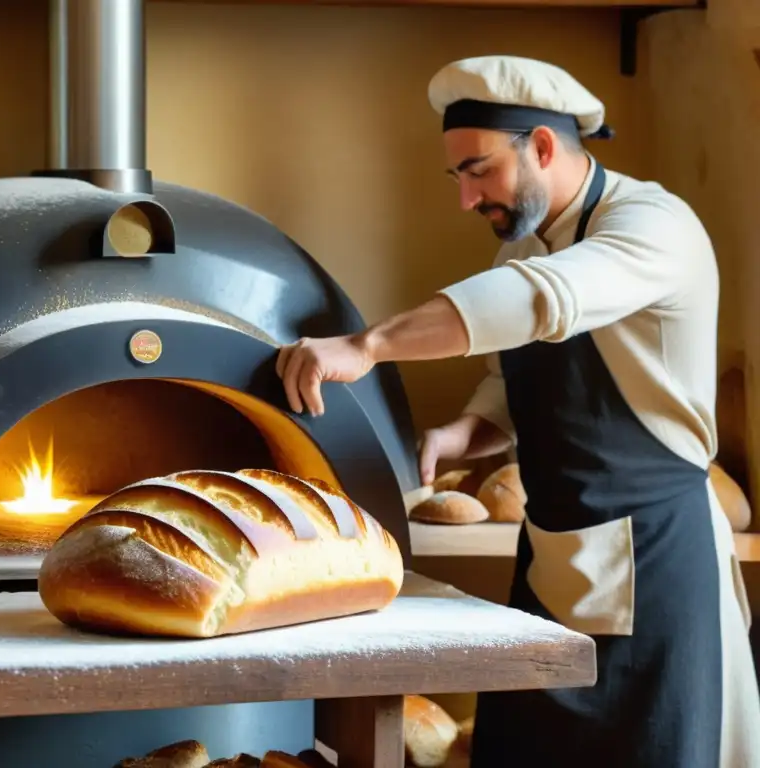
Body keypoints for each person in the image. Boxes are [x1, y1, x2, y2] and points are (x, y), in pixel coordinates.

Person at [275, 55, 760, 767]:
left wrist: (370, 344)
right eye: (459, 177)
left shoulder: (653, 225)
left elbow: (542, 301)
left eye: (478, 170)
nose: (467, 200)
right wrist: (458, 435)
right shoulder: (524, 250)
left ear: (540, 145)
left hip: (656, 568)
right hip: (551, 561)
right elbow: (515, 384)